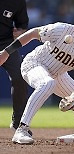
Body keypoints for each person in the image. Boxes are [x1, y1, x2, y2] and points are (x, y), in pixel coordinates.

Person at [0, 8, 74, 144]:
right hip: (34, 63)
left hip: (58, 74)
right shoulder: (62, 29)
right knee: (47, 84)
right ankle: (21, 129)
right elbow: (33, 33)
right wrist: (6, 52)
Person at [0, 0, 29, 130]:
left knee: (20, 76)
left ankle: (18, 122)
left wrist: (20, 32)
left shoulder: (17, 2)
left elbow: (22, 26)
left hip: (6, 43)